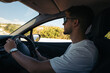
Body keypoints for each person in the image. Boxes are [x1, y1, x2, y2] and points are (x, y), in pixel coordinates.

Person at [4, 5, 98, 73]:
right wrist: (41, 58)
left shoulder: (83, 52)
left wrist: (13, 50)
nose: (63, 24)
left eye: (66, 19)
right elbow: (61, 63)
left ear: (75, 22)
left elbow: (35, 69)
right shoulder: (79, 45)